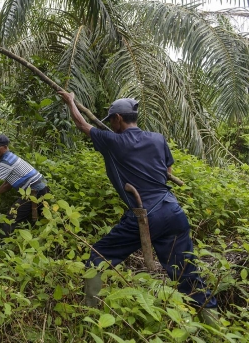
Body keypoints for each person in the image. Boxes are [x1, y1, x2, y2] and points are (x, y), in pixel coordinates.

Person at [58, 91, 218, 324]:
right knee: (187, 273)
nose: (111, 124)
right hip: (173, 211)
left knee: (97, 257)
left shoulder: (114, 141)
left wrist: (71, 101)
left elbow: (82, 124)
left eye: (111, 120)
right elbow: (168, 172)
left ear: (118, 119)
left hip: (146, 215)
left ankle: (88, 317)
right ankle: (214, 325)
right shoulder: (157, 138)